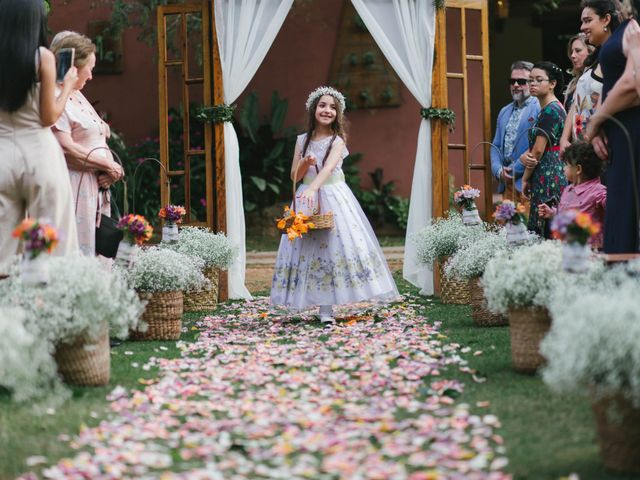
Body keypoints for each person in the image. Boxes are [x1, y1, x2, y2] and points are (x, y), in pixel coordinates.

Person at [270, 86, 398, 323]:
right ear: (313, 109)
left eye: (332, 107)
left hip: (332, 196)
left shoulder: (337, 141)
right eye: (322, 105)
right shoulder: (302, 140)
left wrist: (312, 187)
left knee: (333, 247)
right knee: (307, 247)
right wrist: (305, 165)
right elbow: (293, 176)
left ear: (338, 114)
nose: (327, 110)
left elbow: (328, 168)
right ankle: (310, 299)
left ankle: (328, 308)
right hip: (306, 198)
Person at [0, 0, 79, 274]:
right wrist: (67, 85)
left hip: (2, 156)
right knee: (53, 244)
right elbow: (48, 117)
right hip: (39, 154)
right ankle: (48, 311)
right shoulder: (43, 57)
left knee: (3, 254)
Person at [50, 31, 123, 256]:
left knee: (96, 252)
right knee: (76, 252)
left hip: (94, 188)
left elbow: (100, 133)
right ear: (74, 67)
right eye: (89, 68)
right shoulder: (53, 95)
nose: (91, 76)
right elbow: (65, 148)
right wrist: (107, 165)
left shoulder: (78, 94)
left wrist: (109, 170)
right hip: (74, 189)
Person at [585, 0, 640, 253]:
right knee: (620, 208)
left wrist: (596, 121)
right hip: (618, 133)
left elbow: (633, 84)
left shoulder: (635, 28)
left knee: (628, 207)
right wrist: (601, 123)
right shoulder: (628, 26)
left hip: (632, 132)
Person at [560, 0, 619, 153]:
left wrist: (595, 126)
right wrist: (564, 138)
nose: (582, 27)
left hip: (603, 147)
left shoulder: (617, 54)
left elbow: (622, 94)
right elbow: (580, 100)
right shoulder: (595, 59)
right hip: (583, 149)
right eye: (582, 21)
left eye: (588, 20)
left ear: (606, 19)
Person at [520, 61, 568, 238]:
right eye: (530, 80)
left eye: (539, 80)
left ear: (552, 84)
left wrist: (525, 178)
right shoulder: (551, 108)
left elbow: (538, 151)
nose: (532, 84)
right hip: (551, 171)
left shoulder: (550, 111)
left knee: (545, 228)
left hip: (549, 175)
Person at [539, 140, 606, 248]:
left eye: (566, 165)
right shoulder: (568, 189)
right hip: (566, 247)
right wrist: (552, 213)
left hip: (590, 250)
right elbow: (564, 213)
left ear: (578, 169)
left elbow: (614, 206)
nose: (563, 169)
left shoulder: (598, 191)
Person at [490, 61, 540, 200]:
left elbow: (537, 146)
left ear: (531, 83)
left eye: (521, 81)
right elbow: (496, 145)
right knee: (506, 222)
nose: (516, 85)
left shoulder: (539, 108)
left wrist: (513, 170)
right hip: (506, 184)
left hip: (527, 183)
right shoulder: (504, 111)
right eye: (512, 81)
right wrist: (498, 170)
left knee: (525, 222)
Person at [563, 34, 593, 113]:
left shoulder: (596, 79)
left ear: (590, 51)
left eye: (578, 50)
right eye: (571, 52)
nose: (572, 55)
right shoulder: (573, 83)